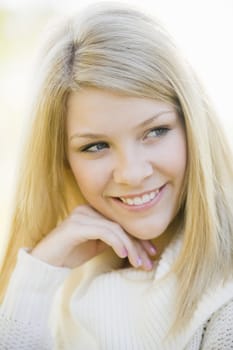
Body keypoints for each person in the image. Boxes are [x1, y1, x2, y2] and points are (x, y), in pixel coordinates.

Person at [0, 2, 233, 349]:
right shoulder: (63, 285)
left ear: (193, 126)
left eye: (155, 131)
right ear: (63, 161)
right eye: (95, 146)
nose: (132, 173)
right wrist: (37, 276)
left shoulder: (223, 305)